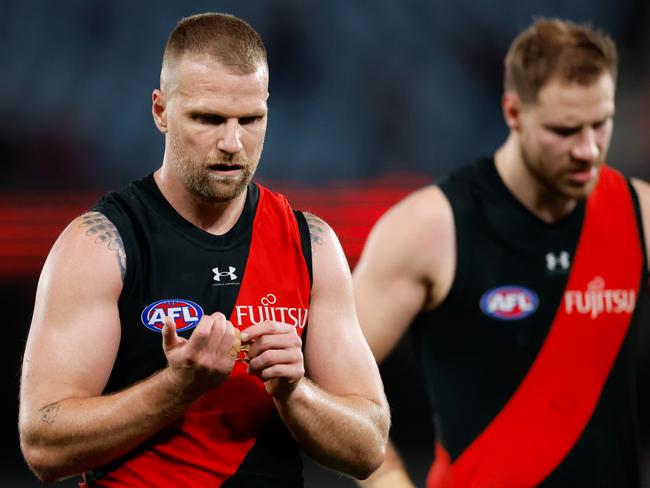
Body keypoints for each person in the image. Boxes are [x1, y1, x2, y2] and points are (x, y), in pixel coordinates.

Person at [18, 12, 389, 487]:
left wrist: (295, 392)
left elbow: (368, 447)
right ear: (160, 111)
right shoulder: (100, 245)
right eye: (209, 118)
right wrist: (179, 386)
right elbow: (43, 446)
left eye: (251, 119)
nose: (233, 143)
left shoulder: (310, 243)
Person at [353, 18, 650, 487]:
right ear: (513, 113)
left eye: (601, 124)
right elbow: (332, 374)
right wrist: (386, 478)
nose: (589, 149)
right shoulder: (433, 227)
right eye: (565, 130)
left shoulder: (640, 215)